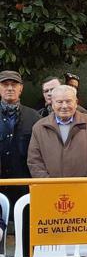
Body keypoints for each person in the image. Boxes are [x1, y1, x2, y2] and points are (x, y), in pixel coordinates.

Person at [27, 85, 87, 178]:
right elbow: (34, 161)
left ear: (76, 102)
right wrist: (48, 185)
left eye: (68, 101)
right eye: (59, 102)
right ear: (52, 103)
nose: (64, 106)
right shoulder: (40, 127)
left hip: (85, 188)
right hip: (50, 189)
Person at [0, 70, 40, 212]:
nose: (10, 88)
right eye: (5, 84)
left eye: (14, 84)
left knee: (25, 228)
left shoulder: (35, 117)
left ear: (21, 88)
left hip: (25, 186)